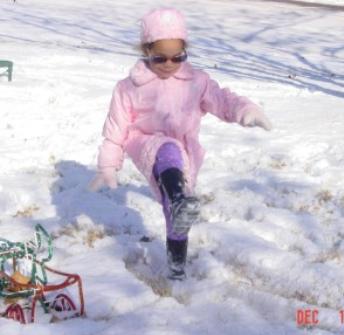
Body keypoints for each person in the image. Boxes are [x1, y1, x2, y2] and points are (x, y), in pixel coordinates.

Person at [89, 8, 272, 280]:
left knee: (177, 213)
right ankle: (178, 199)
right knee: (167, 149)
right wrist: (108, 164)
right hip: (145, 144)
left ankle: (177, 267)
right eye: (159, 57)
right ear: (146, 50)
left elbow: (223, 100)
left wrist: (245, 110)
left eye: (178, 57)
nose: (169, 63)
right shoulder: (129, 87)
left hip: (186, 154)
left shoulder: (197, 82)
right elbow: (116, 129)